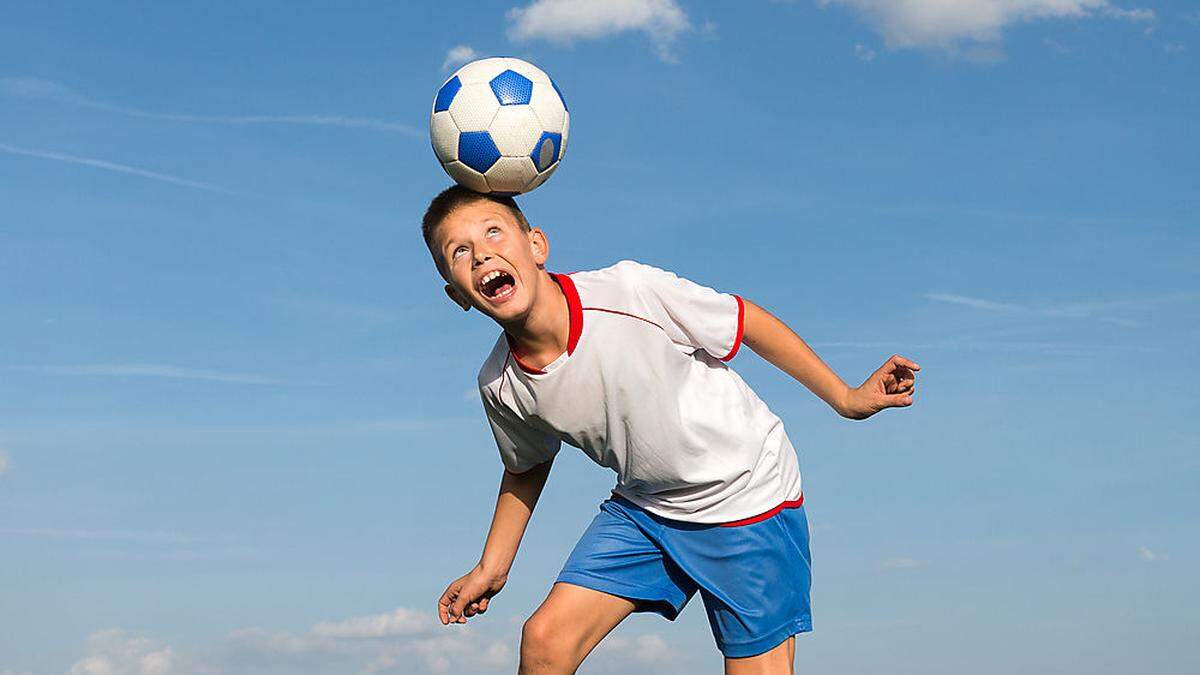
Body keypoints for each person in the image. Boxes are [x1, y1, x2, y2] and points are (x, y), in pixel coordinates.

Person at [425, 185, 920, 674]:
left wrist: (846, 397)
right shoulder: (501, 384)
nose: (482, 253)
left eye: (494, 232)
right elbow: (528, 463)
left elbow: (743, 320)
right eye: (460, 251)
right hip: (648, 509)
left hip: (748, 498)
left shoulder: (628, 291)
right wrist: (493, 566)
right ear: (456, 294)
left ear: (536, 246)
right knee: (545, 641)